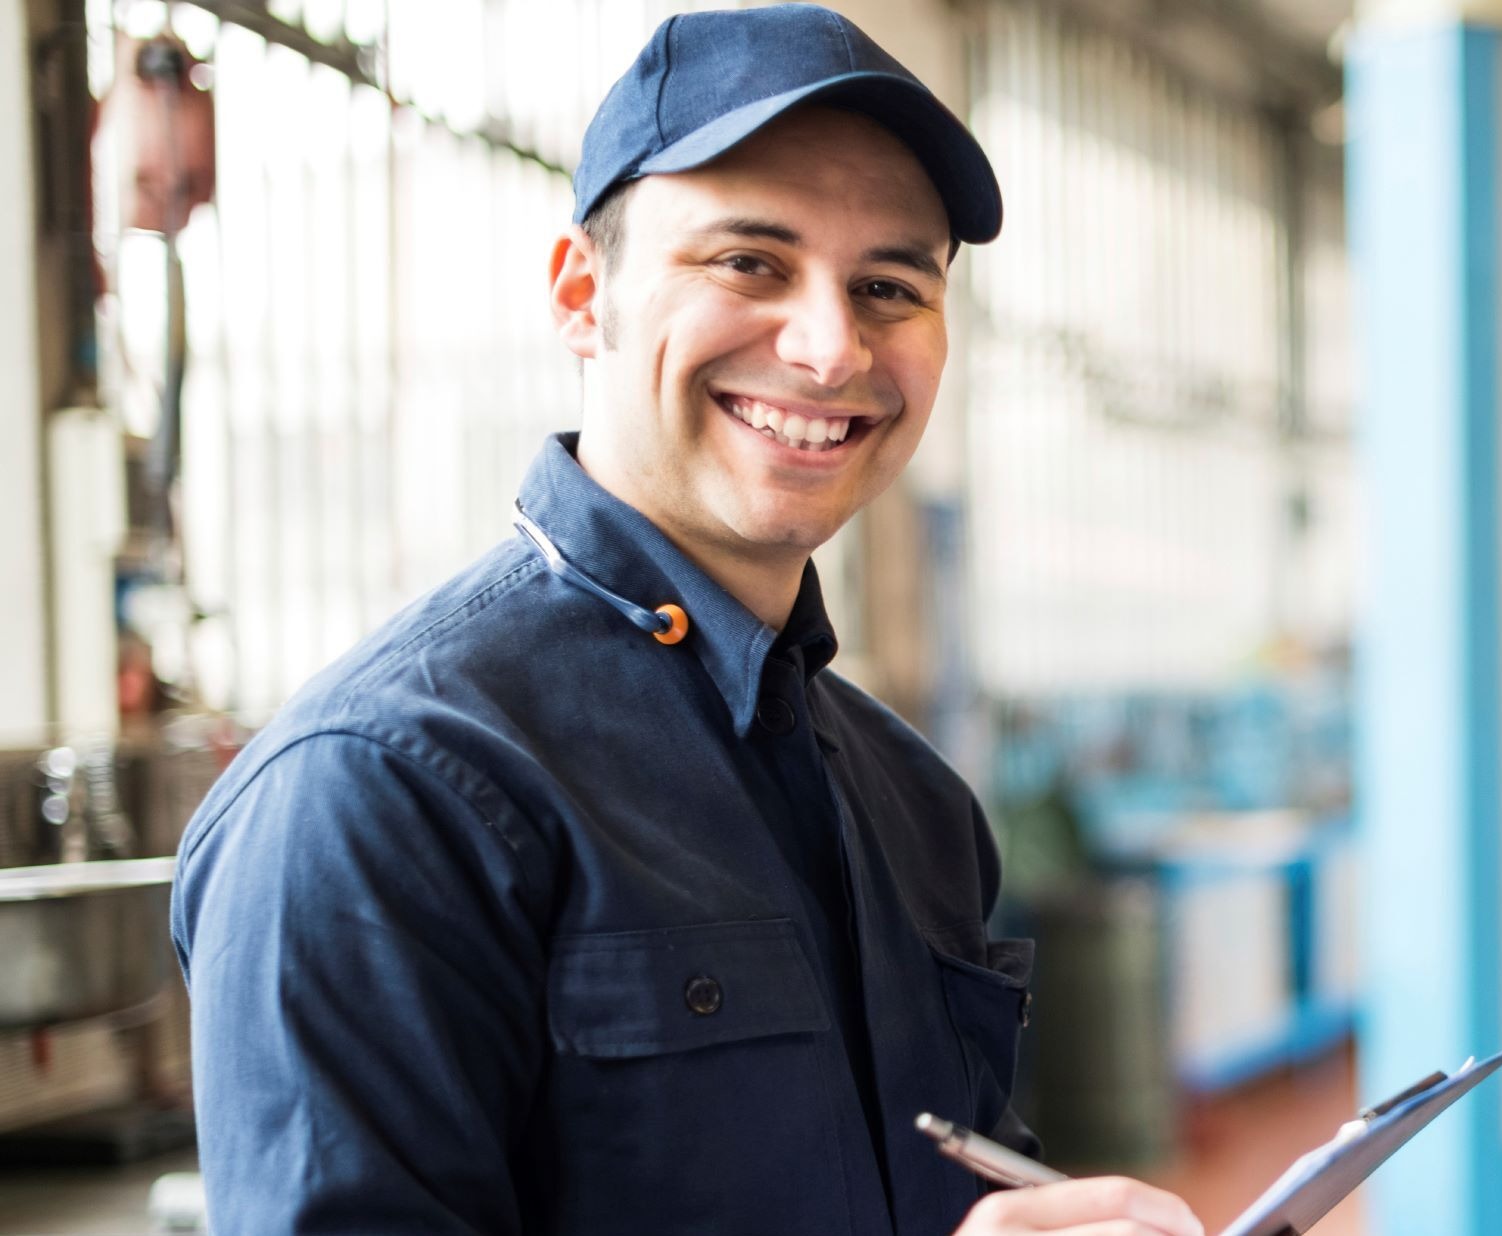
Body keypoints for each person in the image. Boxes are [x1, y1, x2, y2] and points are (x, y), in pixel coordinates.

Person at [170, 8, 1204, 1235]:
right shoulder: (382, 795)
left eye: (887, 286)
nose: (829, 350)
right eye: (747, 264)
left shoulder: (912, 804)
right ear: (578, 294)